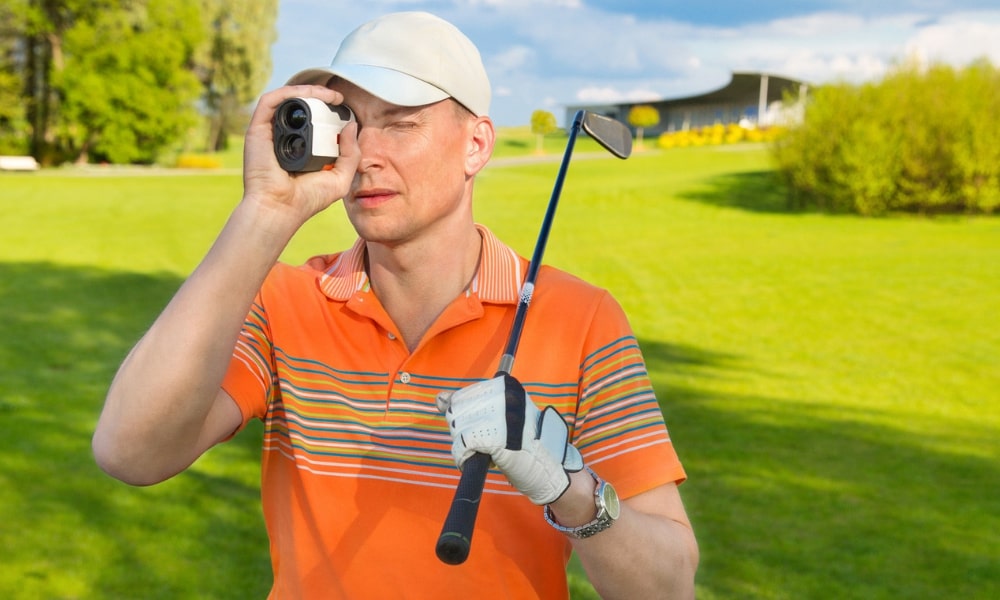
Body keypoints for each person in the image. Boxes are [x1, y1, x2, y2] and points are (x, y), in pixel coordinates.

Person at [93, 11, 698, 599]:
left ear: (476, 145)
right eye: (350, 122)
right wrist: (265, 213)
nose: (366, 153)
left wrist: (564, 486)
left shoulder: (580, 319)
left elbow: (669, 587)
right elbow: (132, 452)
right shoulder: (283, 299)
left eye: (401, 122)